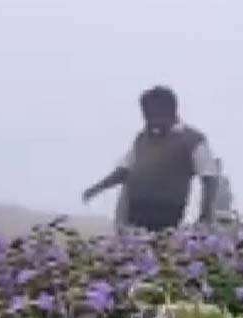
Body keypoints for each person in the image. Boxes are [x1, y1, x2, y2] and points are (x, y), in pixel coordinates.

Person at [84, 86, 219, 231]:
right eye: (146, 114)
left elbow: (209, 177)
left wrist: (205, 215)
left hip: (167, 215)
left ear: (170, 111)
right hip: (133, 214)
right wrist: (95, 189)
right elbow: (123, 171)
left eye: (152, 114)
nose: (148, 119)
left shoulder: (192, 140)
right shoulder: (142, 139)